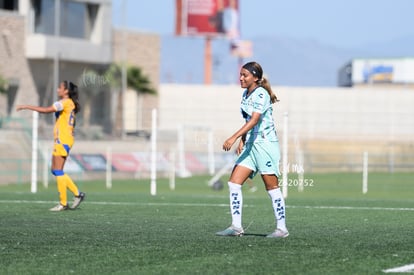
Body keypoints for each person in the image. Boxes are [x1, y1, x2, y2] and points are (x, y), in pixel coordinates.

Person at [216, 61, 288, 238]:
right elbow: (248, 119)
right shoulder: (246, 94)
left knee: (271, 187)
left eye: (244, 75)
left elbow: (255, 120)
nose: (240, 78)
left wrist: (233, 137)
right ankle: (236, 227)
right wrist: (242, 139)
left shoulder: (261, 93)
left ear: (255, 78)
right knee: (234, 183)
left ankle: (282, 229)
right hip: (251, 146)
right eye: (240, 74)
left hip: (265, 146)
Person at [16, 81, 85, 211]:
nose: (58, 89)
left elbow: (47, 110)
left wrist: (26, 106)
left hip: (63, 140)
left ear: (66, 91)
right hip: (64, 139)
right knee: (55, 170)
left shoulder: (64, 102)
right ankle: (77, 194)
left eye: (60, 87)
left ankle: (64, 203)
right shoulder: (69, 103)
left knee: (58, 171)